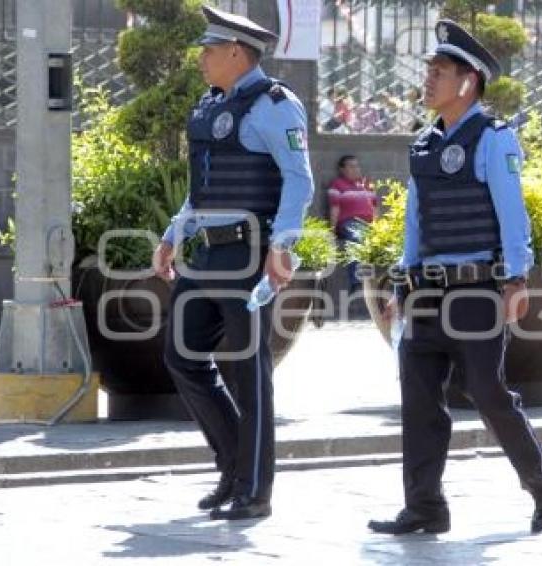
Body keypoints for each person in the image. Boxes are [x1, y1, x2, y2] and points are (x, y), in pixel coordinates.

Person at [367, 19, 542, 537]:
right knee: (417, 397)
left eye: (440, 71)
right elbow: (416, 221)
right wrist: (400, 285)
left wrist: (516, 280)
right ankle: (425, 506)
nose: (428, 79)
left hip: (477, 290)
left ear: (469, 81)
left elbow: (511, 213)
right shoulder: (424, 144)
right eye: (428, 70)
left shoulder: (492, 138)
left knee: (486, 389)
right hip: (428, 290)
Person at [151, 5, 313, 521]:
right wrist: (172, 235)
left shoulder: (275, 105)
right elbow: (203, 189)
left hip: (250, 254)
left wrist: (282, 246)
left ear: (236, 53)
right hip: (207, 251)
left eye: (209, 50)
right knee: (182, 355)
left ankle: (254, 489)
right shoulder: (209, 105)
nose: (201, 58)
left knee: (250, 370)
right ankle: (233, 464)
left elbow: (300, 180)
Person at [327, 155, 377, 291]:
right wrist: (332, 230)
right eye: (351, 166)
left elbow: (375, 207)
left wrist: (378, 228)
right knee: (357, 238)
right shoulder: (337, 185)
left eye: (357, 166)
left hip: (368, 225)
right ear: (342, 169)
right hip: (349, 223)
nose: (356, 169)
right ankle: (357, 281)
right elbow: (335, 208)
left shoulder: (367, 184)